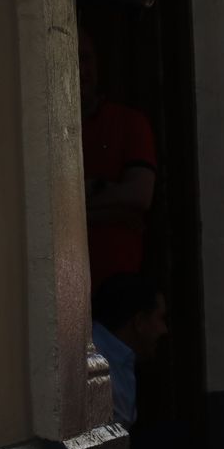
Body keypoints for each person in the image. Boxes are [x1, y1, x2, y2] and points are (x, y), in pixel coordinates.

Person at [78, 29, 157, 286]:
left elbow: (139, 195)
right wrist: (110, 207)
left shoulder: (129, 123)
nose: (80, 69)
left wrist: (74, 210)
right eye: (71, 58)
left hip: (118, 282)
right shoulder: (47, 131)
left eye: (85, 58)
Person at [90, 273, 168, 427]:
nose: (164, 329)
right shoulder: (92, 363)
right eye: (160, 318)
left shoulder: (118, 359)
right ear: (139, 322)